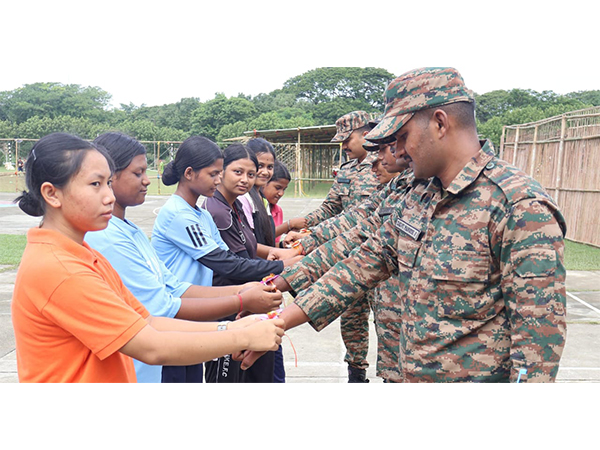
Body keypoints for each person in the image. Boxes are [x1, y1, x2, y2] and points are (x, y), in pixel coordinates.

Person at [240, 67, 567, 383]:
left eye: (402, 137)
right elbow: (361, 264)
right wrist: (276, 321)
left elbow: (538, 342)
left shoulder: (517, 207)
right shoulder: (419, 194)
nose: (394, 151)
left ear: (440, 123)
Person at [11, 132, 284, 383]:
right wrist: (241, 334)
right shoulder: (61, 268)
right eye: (96, 184)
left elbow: (149, 321)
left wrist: (233, 327)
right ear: (51, 194)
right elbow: (151, 345)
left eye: (108, 183)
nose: (108, 196)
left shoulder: (84, 255)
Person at [151, 136, 297, 382]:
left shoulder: (201, 215)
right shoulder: (178, 215)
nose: (218, 180)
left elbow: (231, 258)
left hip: (196, 316)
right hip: (174, 318)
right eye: (213, 174)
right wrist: (283, 265)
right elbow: (225, 263)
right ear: (189, 173)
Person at [262, 161, 291, 245]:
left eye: (284, 189)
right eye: (278, 188)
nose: (281, 193)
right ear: (264, 182)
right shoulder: (253, 208)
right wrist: (288, 225)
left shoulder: (278, 211)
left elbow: (272, 245)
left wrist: (284, 245)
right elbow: (260, 239)